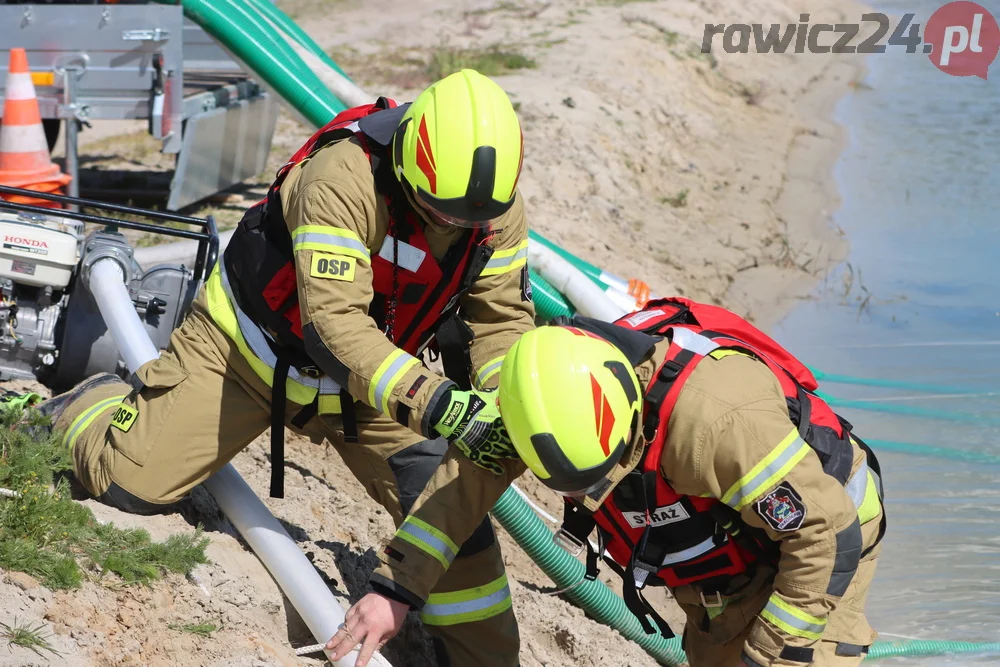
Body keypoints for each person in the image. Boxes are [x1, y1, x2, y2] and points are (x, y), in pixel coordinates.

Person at [38, 69, 532, 667]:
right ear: (407, 165)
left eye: (465, 220)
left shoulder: (492, 212)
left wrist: (504, 395)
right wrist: (442, 404)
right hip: (247, 355)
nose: (450, 226)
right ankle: (88, 403)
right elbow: (336, 328)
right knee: (125, 485)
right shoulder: (342, 177)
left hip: (375, 389)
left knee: (461, 542)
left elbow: (501, 320)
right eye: (436, 211)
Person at [496, 298, 887, 667]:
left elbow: (825, 535)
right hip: (733, 547)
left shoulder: (716, 424)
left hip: (828, 531)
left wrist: (767, 656)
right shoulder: (537, 400)